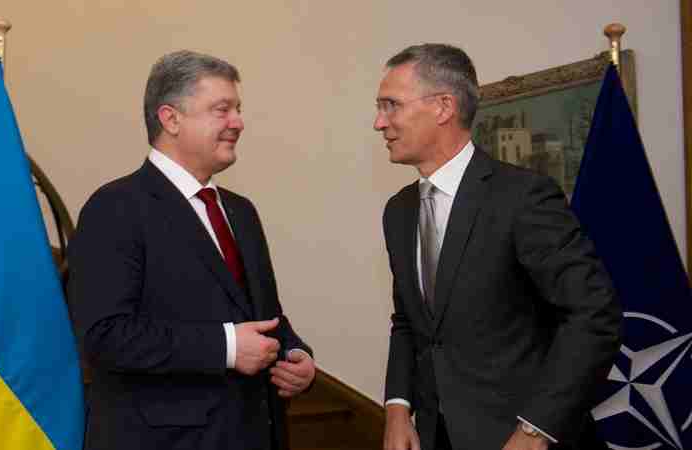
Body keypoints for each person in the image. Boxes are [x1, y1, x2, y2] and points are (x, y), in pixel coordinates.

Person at [374, 44, 622, 450]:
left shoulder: (523, 197)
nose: (379, 122)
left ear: (442, 107)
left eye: (391, 105)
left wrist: (535, 431)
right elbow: (408, 321)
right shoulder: (398, 212)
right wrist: (397, 409)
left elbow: (595, 314)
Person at [68, 50, 315, 450]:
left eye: (238, 109)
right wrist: (228, 347)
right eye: (222, 109)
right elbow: (104, 335)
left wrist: (295, 354)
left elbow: (261, 315)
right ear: (171, 118)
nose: (238, 122)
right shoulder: (115, 207)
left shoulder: (241, 211)